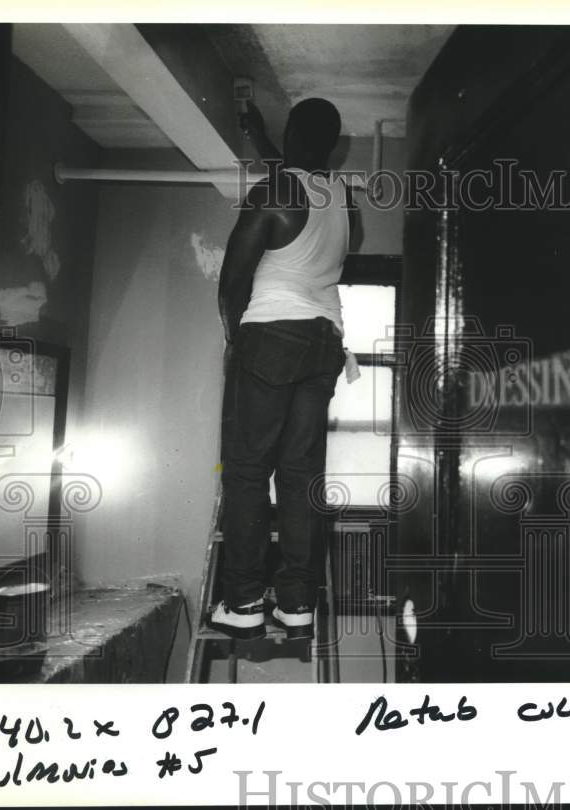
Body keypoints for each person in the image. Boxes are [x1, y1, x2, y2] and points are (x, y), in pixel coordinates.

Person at [209, 98, 355, 642]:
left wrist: (234, 343)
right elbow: (293, 172)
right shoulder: (338, 194)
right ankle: (296, 604)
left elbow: (231, 285)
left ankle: (243, 601)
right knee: (299, 478)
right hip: (326, 344)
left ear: (294, 133)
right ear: (334, 145)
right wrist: (263, 140)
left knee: (248, 473)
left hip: (272, 334)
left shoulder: (272, 193)